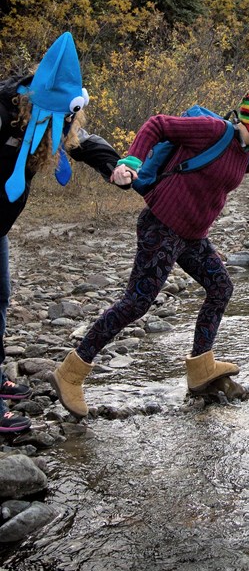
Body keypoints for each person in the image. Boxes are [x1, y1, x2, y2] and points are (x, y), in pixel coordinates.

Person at [48, 87, 249, 419]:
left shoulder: (248, 152)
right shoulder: (214, 132)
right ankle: (71, 373)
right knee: (137, 302)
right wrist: (132, 160)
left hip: (190, 236)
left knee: (220, 287)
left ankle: (201, 368)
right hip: (161, 226)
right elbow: (157, 124)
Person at [0, 32, 132, 433]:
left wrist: (113, 168)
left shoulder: (55, 114)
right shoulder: (5, 112)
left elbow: (82, 143)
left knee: (0, 298)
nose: (69, 124)